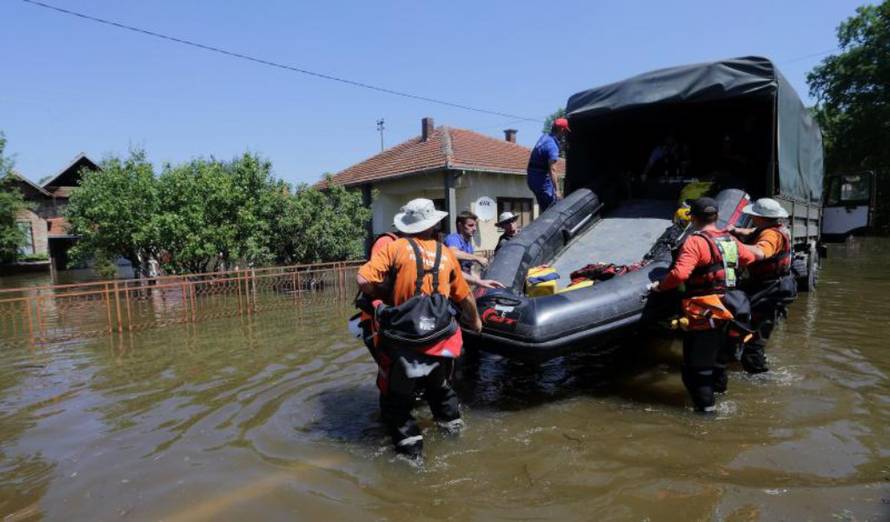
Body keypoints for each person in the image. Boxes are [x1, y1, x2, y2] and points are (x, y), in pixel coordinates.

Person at [357, 198, 482, 463]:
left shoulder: (394, 248)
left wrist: (383, 296)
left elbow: (364, 279)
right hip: (439, 340)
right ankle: (453, 432)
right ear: (433, 224)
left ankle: (411, 455)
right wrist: (476, 323)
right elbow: (464, 297)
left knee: (396, 401)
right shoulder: (445, 253)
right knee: (441, 388)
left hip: (404, 341)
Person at [649, 197, 757, 413]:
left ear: (693, 218)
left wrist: (660, 286)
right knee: (718, 363)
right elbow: (749, 258)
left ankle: (706, 415)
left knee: (697, 371)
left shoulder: (695, 241)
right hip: (731, 310)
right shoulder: (730, 239)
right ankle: (719, 398)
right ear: (716, 216)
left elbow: (680, 274)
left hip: (707, 314)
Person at [727, 198, 793, 374]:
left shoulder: (771, 235)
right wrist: (735, 231)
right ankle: (746, 363)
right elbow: (753, 231)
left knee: (755, 336)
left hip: (769, 290)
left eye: (754, 215)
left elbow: (760, 252)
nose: (752, 218)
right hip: (768, 285)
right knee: (749, 326)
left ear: (760, 217)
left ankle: (759, 376)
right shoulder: (772, 228)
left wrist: (732, 244)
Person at [444, 211, 504, 289]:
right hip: (450, 287)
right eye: (470, 225)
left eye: (475, 225)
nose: (475, 229)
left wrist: (482, 283)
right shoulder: (453, 238)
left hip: (462, 285)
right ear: (460, 226)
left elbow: (470, 270)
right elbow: (453, 253)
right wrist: (477, 258)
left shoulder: (469, 245)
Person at [527, 118, 569, 211]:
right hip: (541, 180)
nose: (565, 134)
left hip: (532, 177)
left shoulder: (545, 137)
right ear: (562, 130)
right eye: (565, 131)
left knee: (544, 207)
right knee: (554, 206)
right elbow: (552, 170)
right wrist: (557, 191)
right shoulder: (552, 146)